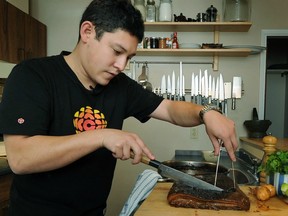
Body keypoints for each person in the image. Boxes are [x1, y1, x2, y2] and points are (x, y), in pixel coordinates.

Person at [0, 0, 238, 215]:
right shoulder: (33, 75)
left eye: (129, 57)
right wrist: (102, 136)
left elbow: (169, 109)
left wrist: (207, 112)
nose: (121, 65)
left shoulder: (119, 86)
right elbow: (21, 159)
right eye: (116, 51)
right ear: (87, 32)